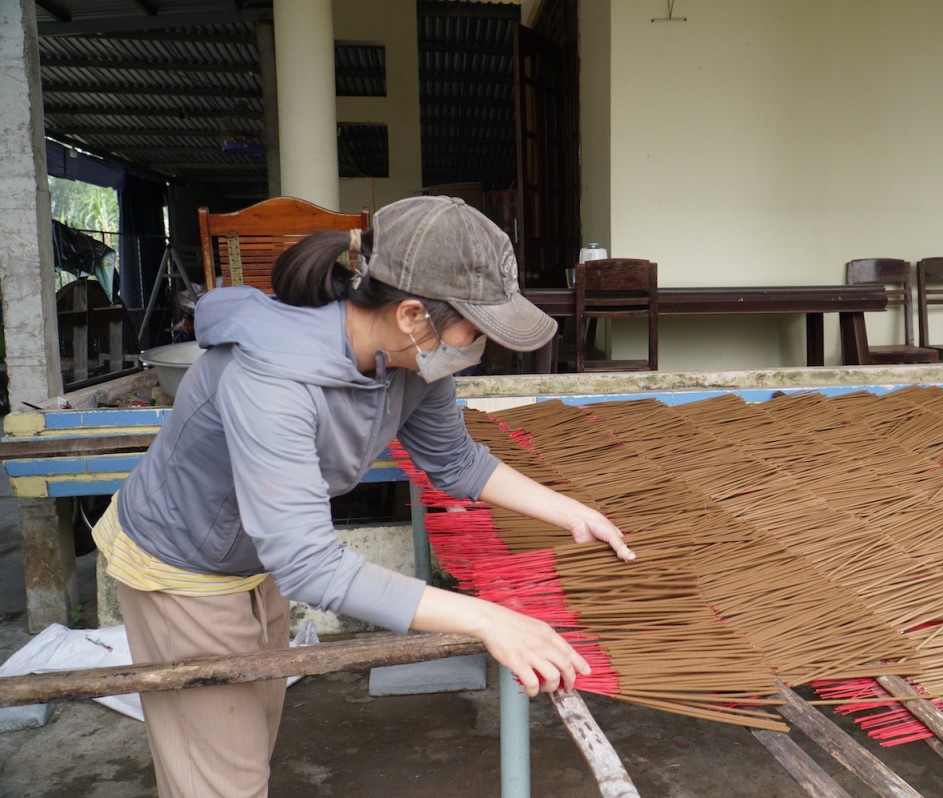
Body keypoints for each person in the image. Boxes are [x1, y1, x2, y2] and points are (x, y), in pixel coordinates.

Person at [92, 195, 636, 797]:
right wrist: (490, 619)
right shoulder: (275, 381)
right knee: (222, 780)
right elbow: (310, 567)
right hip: (180, 566)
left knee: (248, 739)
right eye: (475, 328)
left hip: (253, 556)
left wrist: (574, 512)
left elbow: (455, 462)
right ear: (411, 315)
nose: (479, 345)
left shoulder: (412, 361)